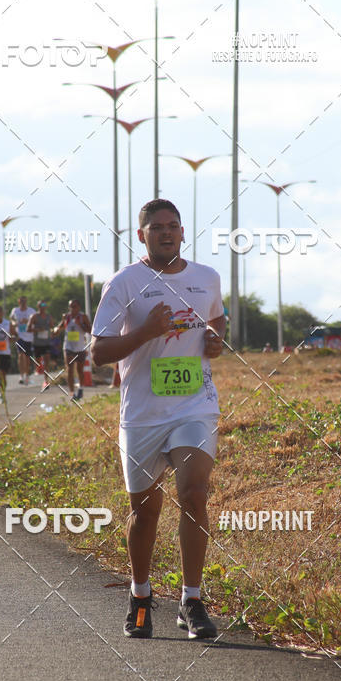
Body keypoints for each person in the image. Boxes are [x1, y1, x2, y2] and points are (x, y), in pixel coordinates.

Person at [91, 198, 225, 640]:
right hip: (143, 412)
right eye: (157, 227)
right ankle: (141, 594)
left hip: (194, 405)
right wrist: (146, 331)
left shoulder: (206, 277)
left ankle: (191, 599)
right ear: (141, 235)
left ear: (184, 232)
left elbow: (217, 320)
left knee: (194, 492)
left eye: (173, 226)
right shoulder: (124, 283)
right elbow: (99, 353)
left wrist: (215, 341)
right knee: (145, 512)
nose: (166, 232)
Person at [57, 299, 91, 401]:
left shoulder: (83, 317)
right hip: (68, 347)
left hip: (80, 347)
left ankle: (80, 389)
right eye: (70, 306)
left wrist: (80, 324)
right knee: (70, 370)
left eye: (74, 306)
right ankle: (72, 393)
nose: (72, 309)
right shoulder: (66, 317)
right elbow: (59, 328)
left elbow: (90, 330)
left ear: (79, 307)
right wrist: (55, 330)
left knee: (80, 370)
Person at [27, 300, 54, 392]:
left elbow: (52, 327)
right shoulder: (34, 316)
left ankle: (46, 381)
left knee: (47, 360)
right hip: (37, 343)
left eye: (45, 304)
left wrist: (53, 332)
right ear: (38, 307)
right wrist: (38, 329)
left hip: (46, 342)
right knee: (38, 363)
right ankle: (36, 368)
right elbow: (28, 329)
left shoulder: (49, 317)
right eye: (41, 305)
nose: (43, 306)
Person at [9, 295, 36, 384]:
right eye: (21, 301)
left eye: (24, 301)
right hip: (19, 336)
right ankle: (21, 375)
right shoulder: (15, 310)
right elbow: (11, 320)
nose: (23, 303)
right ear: (18, 302)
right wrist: (16, 323)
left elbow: (36, 321)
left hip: (29, 336)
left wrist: (28, 321)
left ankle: (27, 375)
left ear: (26, 301)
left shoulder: (31, 311)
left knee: (27, 357)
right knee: (20, 354)